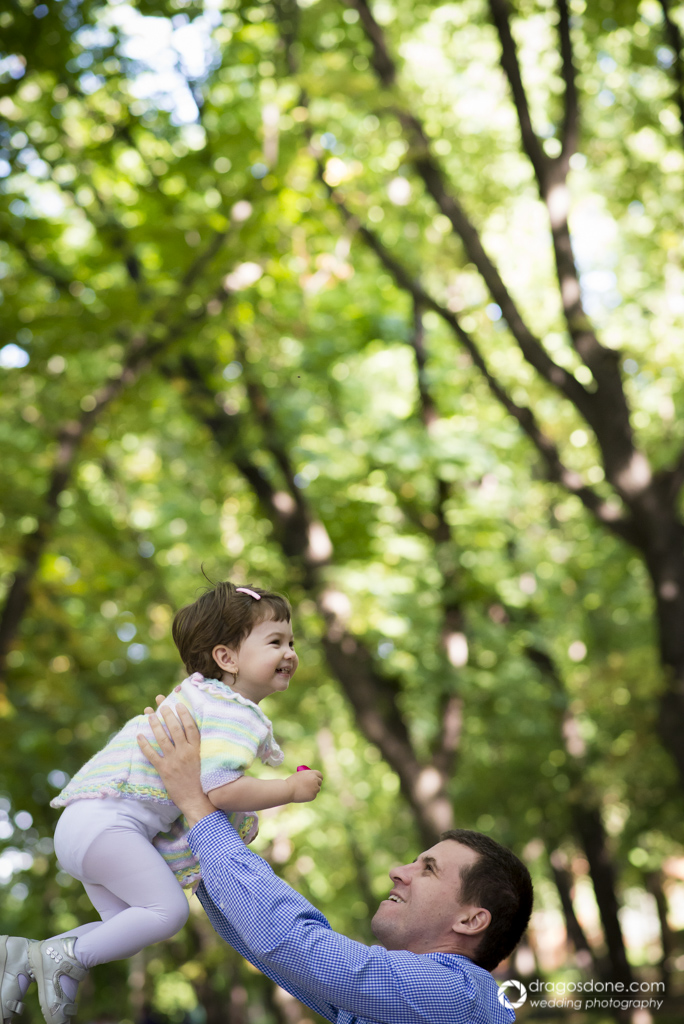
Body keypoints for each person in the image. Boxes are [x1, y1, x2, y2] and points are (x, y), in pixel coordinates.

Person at [0, 581, 322, 1024]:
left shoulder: (197, 694)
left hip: (83, 824)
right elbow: (221, 788)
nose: (290, 653)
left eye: (291, 642)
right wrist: (288, 789)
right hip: (110, 828)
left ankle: (25, 958)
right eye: (275, 642)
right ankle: (62, 958)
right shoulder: (235, 711)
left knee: (125, 928)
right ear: (227, 658)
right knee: (167, 914)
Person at [134, 702, 534, 1024]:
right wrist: (191, 830)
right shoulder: (399, 1000)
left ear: (470, 921)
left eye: (428, 869)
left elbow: (297, 944)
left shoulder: (458, 994)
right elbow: (275, 952)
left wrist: (196, 805)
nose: (398, 872)